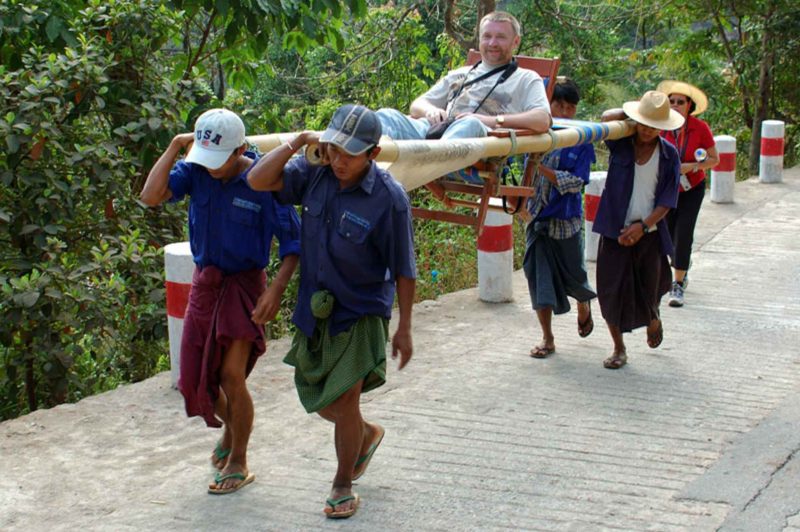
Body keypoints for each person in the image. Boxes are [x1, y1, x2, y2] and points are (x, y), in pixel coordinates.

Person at [247, 104, 417, 519]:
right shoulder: (315, 175)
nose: (340, 161)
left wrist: (405, 327)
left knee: (343, 396)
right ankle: (367, 433)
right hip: (314, 309)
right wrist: (299, 142)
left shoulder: (389, 199)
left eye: (351, 154)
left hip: (360, 311)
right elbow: (257, 179)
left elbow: (404, 269)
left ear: (373, 154)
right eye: (334, 149)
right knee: (324, 401)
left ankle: (341, 483)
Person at [139, 109, 300, 494]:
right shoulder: (195, 170)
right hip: (205, 287)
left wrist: (275, 291)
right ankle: (232, 431)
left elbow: (294, 244)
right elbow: (150, 196)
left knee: (231, 375)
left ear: (241, 149)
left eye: (221, 160)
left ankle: (239, 459)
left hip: (245, 287)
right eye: (205, 159)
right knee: (197, 382)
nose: (212, 169)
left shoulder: (263, 179)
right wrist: (177, 146)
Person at [594, 91, 684, 369]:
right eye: (643, 123)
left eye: (654, 125)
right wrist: (631, 118)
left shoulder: (669, 156)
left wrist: (643, 226)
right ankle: (618, 348)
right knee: (609, 290)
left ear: (663, 128)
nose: (647, 130)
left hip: (651, 232)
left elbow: (668, 200)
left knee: (650, 287)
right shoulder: (621, 144)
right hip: (614, 229)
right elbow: (606, 118)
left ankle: (653, 317)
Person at [375, 11, 551, 144]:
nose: (492, 43)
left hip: (480, 144)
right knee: (387, 116)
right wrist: (431, 111)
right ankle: (363, 180)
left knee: (469, 124)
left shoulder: (526, 78)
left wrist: (491, 121)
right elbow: (416, 105)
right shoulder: (460, 73)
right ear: (479, 39)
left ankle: (423, 164)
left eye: (501, 37)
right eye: (487, 36)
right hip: (437, 133)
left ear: (515, 42)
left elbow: (543, 120)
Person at [522, 78, 597, 358]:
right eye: (558, 105)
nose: (564, 112)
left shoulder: (581, 139)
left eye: (570, 107)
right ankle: (547, 338)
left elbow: (578, 181)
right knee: (537, 277)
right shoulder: (532, 132)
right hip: (536, 217)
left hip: (566, 221)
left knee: (575, 276)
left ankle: (583, 303)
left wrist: (542, 169)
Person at [656, 80, 720, 307]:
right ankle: (681, 266)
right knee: (668, 235)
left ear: (689, 105)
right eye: (671, 101)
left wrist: (691, 166)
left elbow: (714, 159)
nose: (675, 105)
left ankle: (678, 284)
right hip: (668, 188)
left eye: (680, 102)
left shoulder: (700, 128)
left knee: (683, 234)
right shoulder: (661, 126)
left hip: (692, 188)